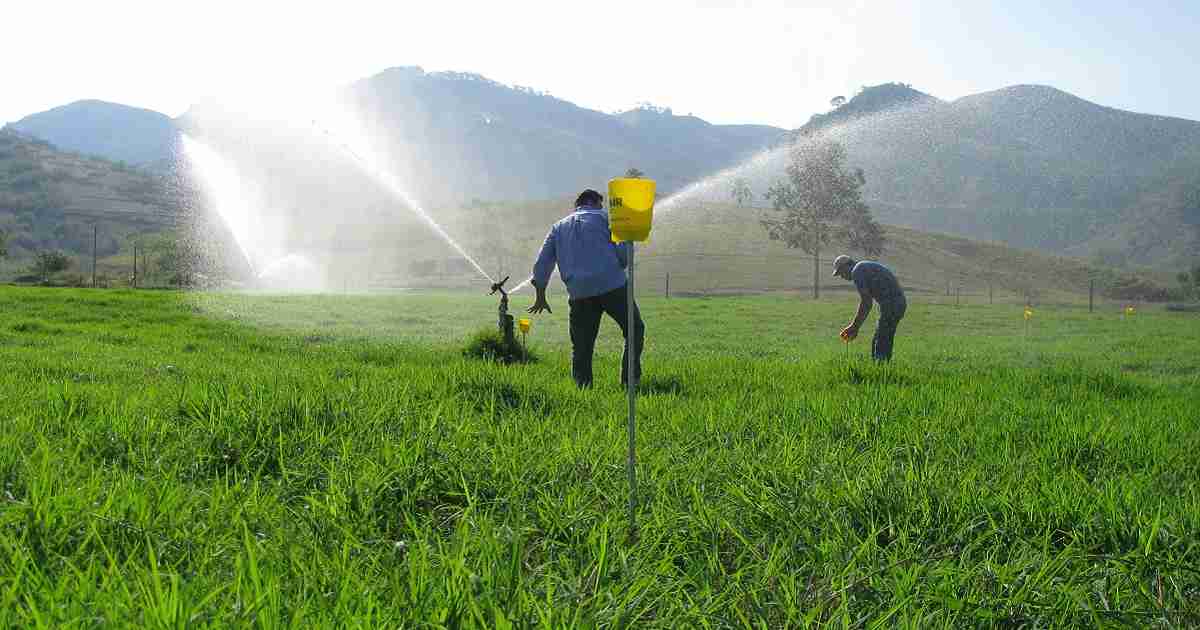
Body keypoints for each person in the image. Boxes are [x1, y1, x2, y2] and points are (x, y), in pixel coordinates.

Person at [527, 189, 644, 388]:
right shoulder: (606, 218)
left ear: (578, 204)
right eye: (601, 203)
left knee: (582, 346)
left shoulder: (558, 227)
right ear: (596, 202)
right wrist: (619, 263)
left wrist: (540, 295)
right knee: (634, 329)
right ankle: (629, 382)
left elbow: (542, 264)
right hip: (612, 285)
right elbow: (624, 256)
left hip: (579, 293)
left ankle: (583, 388)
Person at [832, 254, 907, 361]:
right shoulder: (863, 267)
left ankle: (881, 368)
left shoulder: (857, 271)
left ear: (846, 266)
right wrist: (856, 327)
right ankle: (881, 367)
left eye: (840, 272)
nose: (842, 277)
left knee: (881, 341)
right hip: (897, 303)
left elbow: (866, 302)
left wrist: (854, 326)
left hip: (891, 304)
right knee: (881, 339)